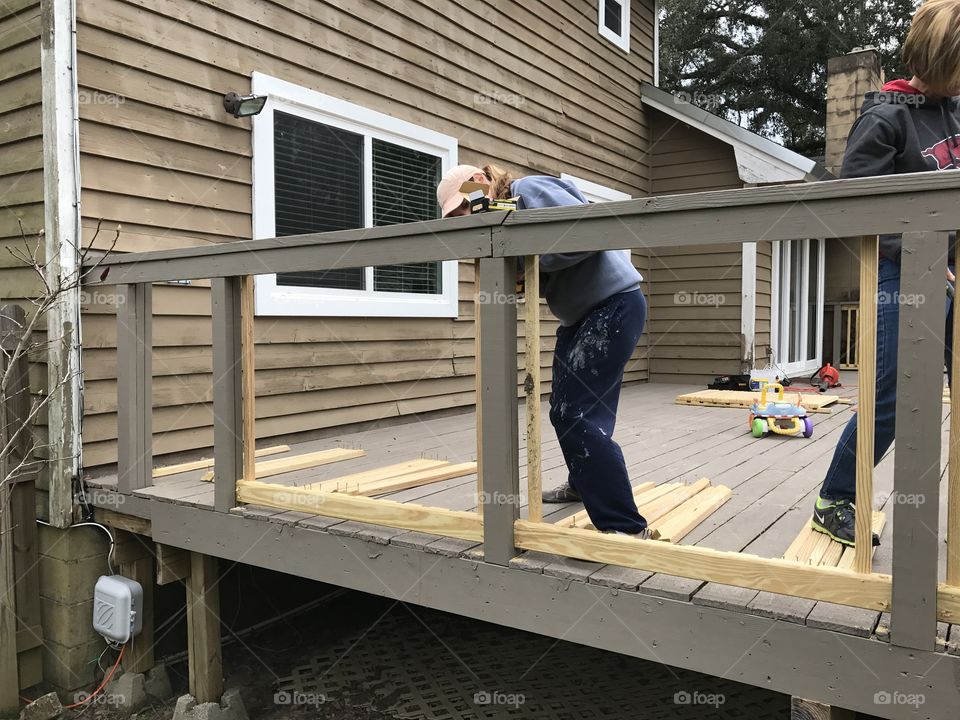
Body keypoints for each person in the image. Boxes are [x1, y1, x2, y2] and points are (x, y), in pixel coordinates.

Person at [437, 164, 657, 538]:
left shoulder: (527, 191)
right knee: (583, 410)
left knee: (573, 413)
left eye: (463, 207)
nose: (463, 217)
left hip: (612, 305)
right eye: (455, 216)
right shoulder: (503, 221)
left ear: (482, 187)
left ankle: (624, 526)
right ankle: (582, 483)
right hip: (582, 315)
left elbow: (586, 236)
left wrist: (528, 258)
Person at [812, 0, 960, 547]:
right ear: (938, 60)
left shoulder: (955, 109)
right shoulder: (886, 117)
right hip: (901, 278)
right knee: (892, 397)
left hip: (947, 272)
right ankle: (835, 498)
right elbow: (857, 211)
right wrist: (924, 254)